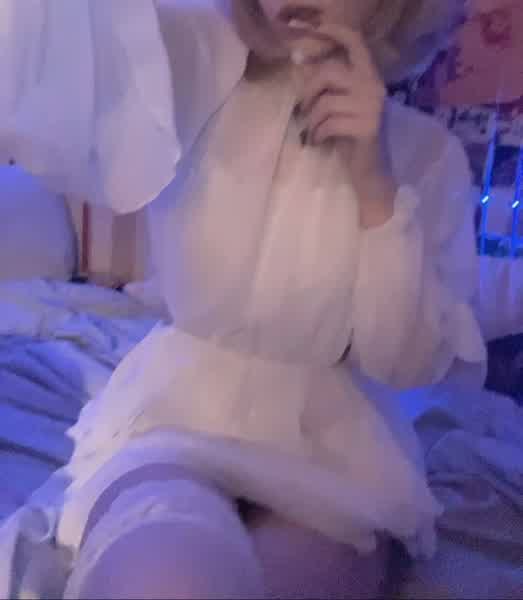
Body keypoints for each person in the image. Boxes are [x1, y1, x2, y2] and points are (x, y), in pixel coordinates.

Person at [0, 1, 486, 598]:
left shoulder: (429, 157)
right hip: (179, 414)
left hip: (336, 451)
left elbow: (406, 362)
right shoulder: (194, 77)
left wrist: (374, 184)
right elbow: (55, 50)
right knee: (168, 580)